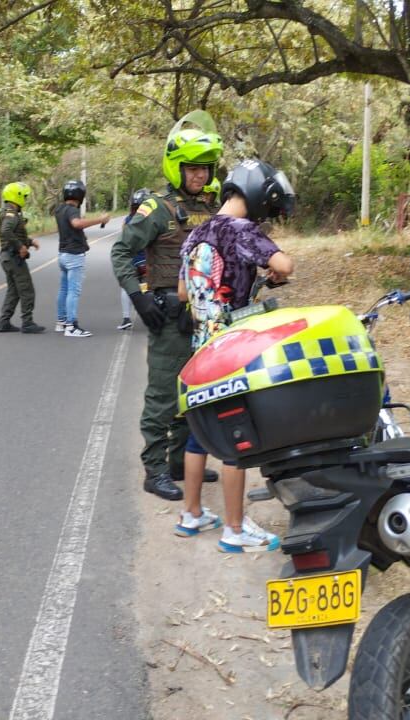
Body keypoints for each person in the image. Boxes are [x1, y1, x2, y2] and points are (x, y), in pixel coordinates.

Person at [174, 158, 296, 552]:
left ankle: (191, 515)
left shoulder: (197, 233)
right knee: (236, 438)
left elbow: (181, 293)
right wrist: (272, 271)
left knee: (199, 435)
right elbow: (285, 263)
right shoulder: (241, 229)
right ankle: (234, 529)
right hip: (231, 350)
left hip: (200, 349)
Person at [111, 111, 224, 501]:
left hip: (205, 319)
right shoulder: (157, 209)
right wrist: (139, 297)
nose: (200, 176)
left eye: (205, 169)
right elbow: (122, 252)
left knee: (197, 393)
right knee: (162, 396)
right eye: (193, 169)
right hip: (169, 317)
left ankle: (180, 461)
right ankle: (155, 469)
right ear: (177, 168)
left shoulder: (213, 208)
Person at [54, 180, 110, 338]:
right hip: (73, 256)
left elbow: (70, 228)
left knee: (64, 289)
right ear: (80, 195)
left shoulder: (59, 209)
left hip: (63, 255)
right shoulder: (72, 210)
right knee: (73, 291)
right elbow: (76, 224)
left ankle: (61, 321)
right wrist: (100, 219)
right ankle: (71, 326)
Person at [0, 181, 45, 334]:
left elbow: (14, 233)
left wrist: (30, 242)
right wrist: (21, 247)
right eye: (24, 195)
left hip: (7, 257)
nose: (25, 198)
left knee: (14, 291)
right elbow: (6, 231)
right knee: (26, 290)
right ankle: (27, 322)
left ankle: (4, 322)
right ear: (16, 196)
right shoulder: (11, 213)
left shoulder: (9, 211)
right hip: (13, 258)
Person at [117, 188, 153, 331]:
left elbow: (123, 240)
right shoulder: (150, 219)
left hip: (130, 260)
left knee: (126, 287)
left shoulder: (127, 220)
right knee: (151, 287)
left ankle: (126, 318)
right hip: (145, 260)